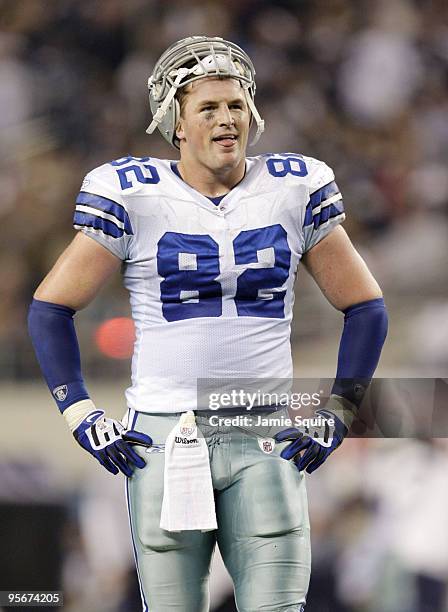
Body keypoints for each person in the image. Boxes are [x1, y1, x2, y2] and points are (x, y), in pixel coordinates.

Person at [28, 36, 388, 611]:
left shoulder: (294, 186)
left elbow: (366, 307)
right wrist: (81, 413)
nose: (228, 119)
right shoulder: (131, 194)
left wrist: (340, 411)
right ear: (176, 123)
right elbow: (50, 308)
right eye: (209, 108)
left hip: (263, 430)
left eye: (237, 105)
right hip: (165, 436)